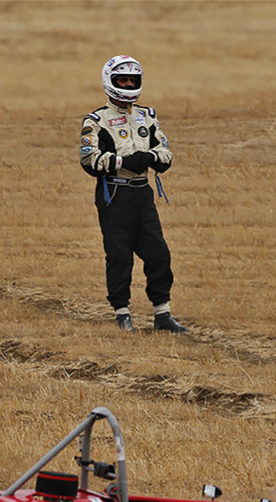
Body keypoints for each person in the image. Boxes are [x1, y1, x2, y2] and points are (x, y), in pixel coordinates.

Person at [79, 55, 187, 333]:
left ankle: (162, 314)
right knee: (119, 255)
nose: (128, 84)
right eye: (122, 80)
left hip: (143, 193)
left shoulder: (147, 116)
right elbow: (90, 160)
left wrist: (151, 157)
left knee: (159, 254)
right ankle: (122, 313)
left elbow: (165, 152)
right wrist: (126, 161)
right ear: (110, 82)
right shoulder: (96, 121)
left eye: (132, 80)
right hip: (114, 194)